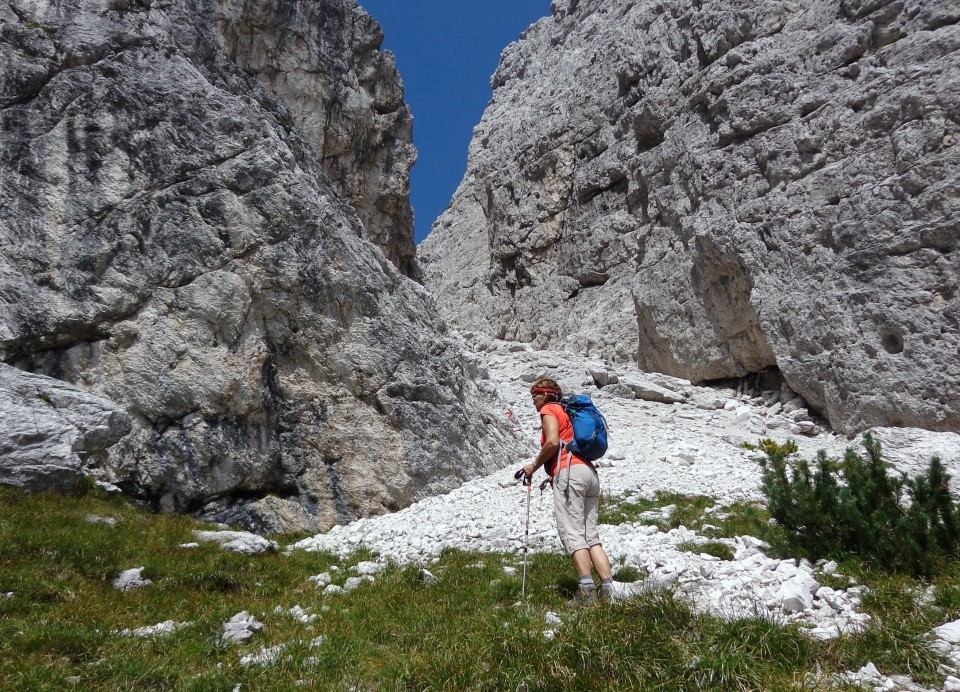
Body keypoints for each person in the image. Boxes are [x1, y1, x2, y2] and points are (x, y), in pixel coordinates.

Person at [523, 377, 614, 604]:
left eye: (535, 395)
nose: (533, 399)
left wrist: (533, 466)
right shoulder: (569, 413)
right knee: (591, 536)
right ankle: (608, 590)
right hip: (589, 473)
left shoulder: (549, 409)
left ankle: (586, 592)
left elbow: (552, 442)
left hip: (569, 474)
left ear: (546, 395)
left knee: (573, 533)